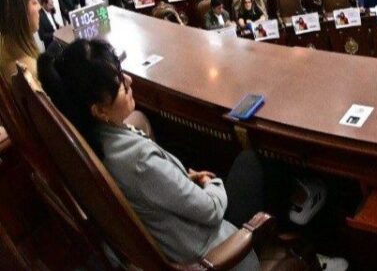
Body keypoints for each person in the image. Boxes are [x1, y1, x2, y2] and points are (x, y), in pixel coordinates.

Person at [36, 39, 272, 270]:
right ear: (99, 110)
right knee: (251, 161)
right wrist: (211, 183)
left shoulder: (93, 138)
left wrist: (184, 181)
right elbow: (210, 209)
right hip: (209, 250)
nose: (129, 80)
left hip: (178, 232)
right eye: (119, 84)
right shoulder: (137, 160)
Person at [1, 0, 45, 79]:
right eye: (34, 1)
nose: (39, 7)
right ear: (19, 11)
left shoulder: (4, 49)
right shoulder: (31, 71)